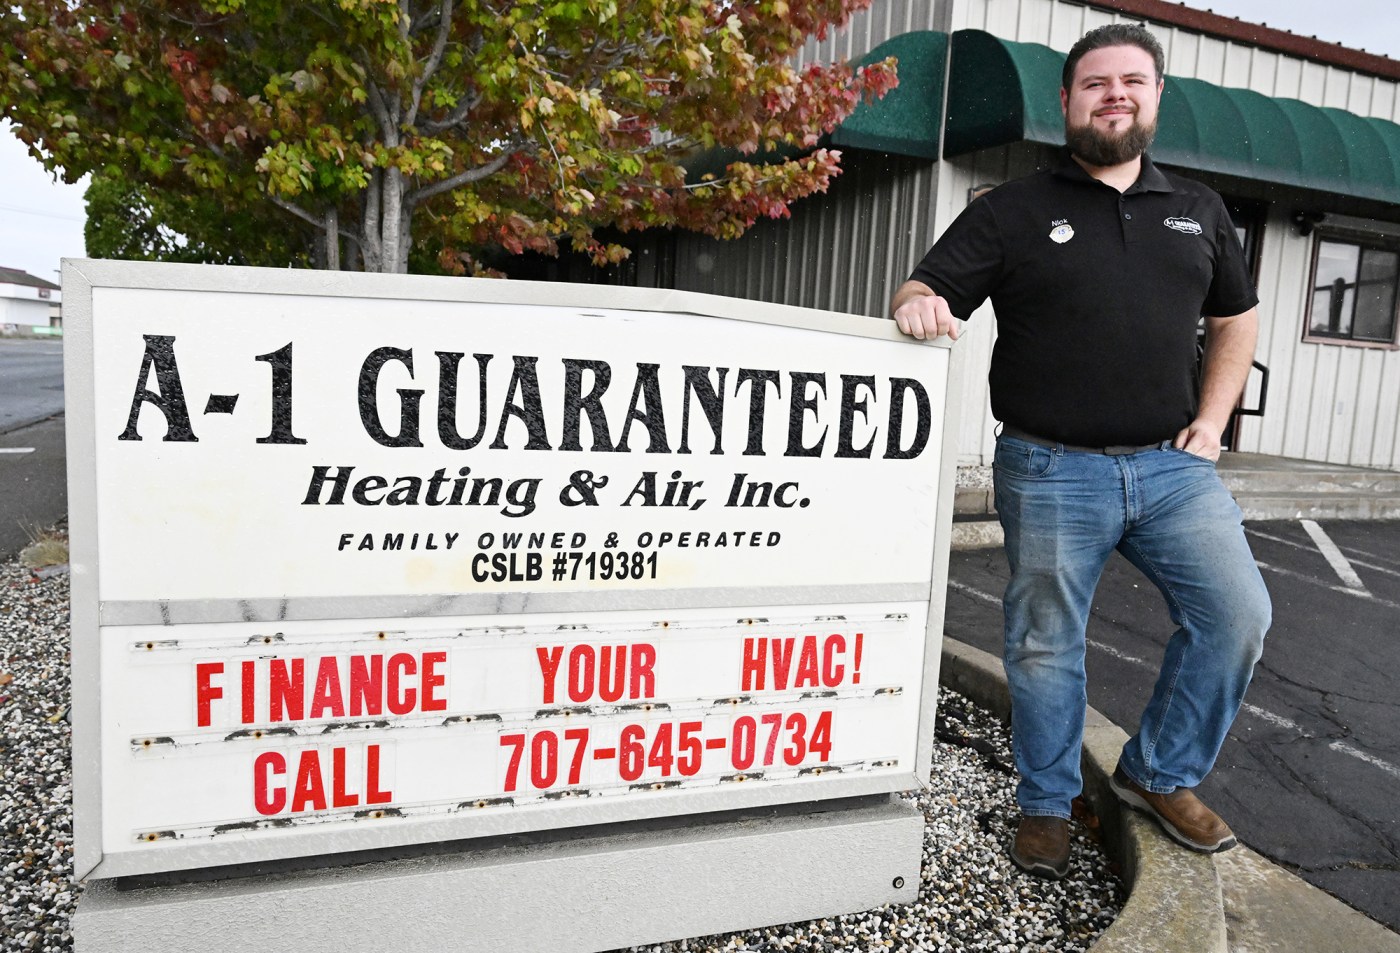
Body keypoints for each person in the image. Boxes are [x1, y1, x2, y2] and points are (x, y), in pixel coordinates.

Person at [890, 23, 1271, 880]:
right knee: (1045, 644)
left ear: (1156, 95)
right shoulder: (1012, 209)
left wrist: (1212, 420)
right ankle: (1047, 802)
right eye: (1096, 83)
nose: (1115, 95)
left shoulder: (1200, 209)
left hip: (1173, 469)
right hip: (1051, 466)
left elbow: (1236, 317)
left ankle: (1156, 772)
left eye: (1132, 81)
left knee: (1236, 616)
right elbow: (924, 285)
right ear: (1066, 101)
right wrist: (918, 304)